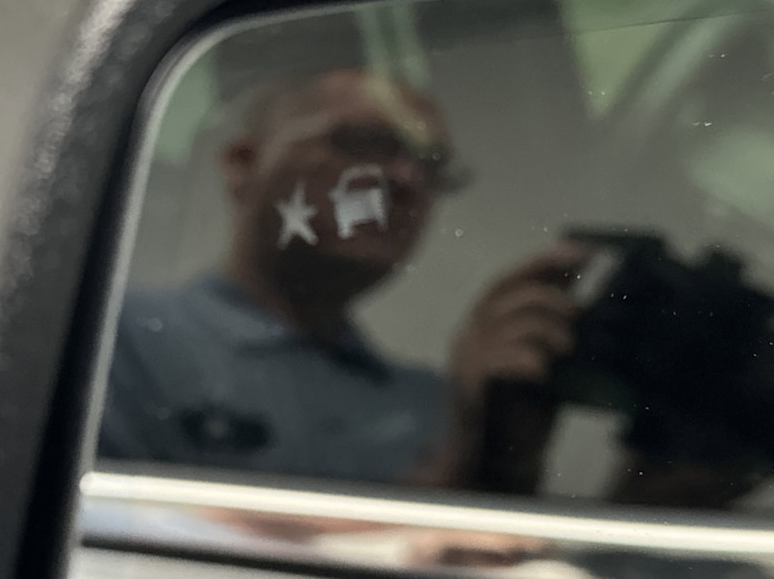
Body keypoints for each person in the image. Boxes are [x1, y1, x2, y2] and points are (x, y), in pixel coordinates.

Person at [95, 67, 586, 490]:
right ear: (244, 163)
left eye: (431, 165)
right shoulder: (116, 339)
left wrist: (498, 454)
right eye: (364, 143)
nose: (406, 180)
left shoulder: (435, 403)